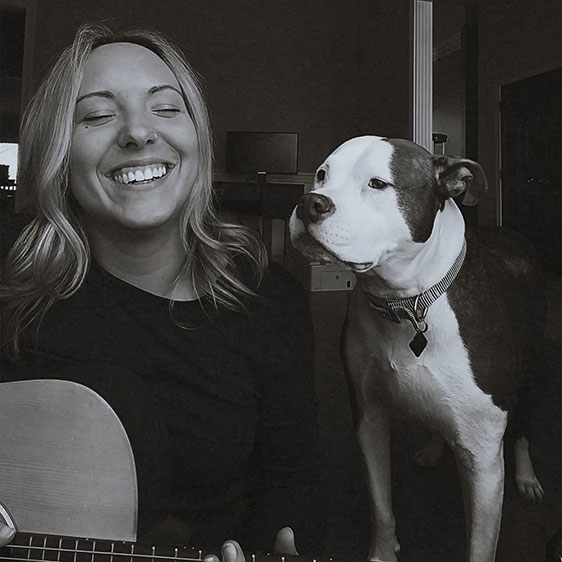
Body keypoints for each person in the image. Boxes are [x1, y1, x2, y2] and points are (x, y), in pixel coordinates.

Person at [0, 23, 325, 561]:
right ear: (59, 150)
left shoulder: (270, 301)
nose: (137, 133)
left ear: (196, 137)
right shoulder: (10, 264)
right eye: (98, 115)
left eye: (166, 108)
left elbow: (294, 485)